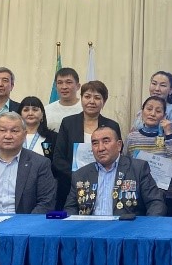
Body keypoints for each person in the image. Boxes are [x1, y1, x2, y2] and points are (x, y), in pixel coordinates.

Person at [65, 126, 166, 216]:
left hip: (126, 229)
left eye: (106, 141)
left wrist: (146, 228)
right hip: (89, 229)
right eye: (95, 143)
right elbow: (70, 208)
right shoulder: (80, 174)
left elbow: (156, 203)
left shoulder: (138, 168)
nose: (100, 148)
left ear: (119, 145)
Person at [52, 80, 121, 209]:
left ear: (104, 101)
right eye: (87, 96)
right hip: (71, 184)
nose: (91, 101)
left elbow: (117, 155)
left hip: (105, 182)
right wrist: (78, 176)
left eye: (97, 98)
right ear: (82, 99)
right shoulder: (68, 123)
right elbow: (58, 159)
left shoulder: (112, 126)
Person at [125, 96, 172, 215]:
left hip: (167, 195)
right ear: (142, 112)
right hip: (138, 194)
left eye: (158, 111)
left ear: (164, 116)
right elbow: (126, 164)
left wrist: (168, 133)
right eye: (149, 109)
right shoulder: (132, 137)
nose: (152, 114)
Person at [130, 71, 172, 136]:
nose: (157, 89)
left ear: (170, 90)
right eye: (154, 83)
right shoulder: (141, 111)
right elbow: (132, 135)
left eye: (162, 85)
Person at [18, 96, 58, 161]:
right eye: (26, 110)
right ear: (20, 115)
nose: (30, 113)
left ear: (42, 114)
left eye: (35, 110)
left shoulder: (53, 137)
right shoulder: (13, 135)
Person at [44, 67, 82, 132]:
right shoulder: (46, 111)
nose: (64, 87)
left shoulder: (86, 108)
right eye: (60, 83)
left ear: (78, 86)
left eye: (69, 82)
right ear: (55, 87)